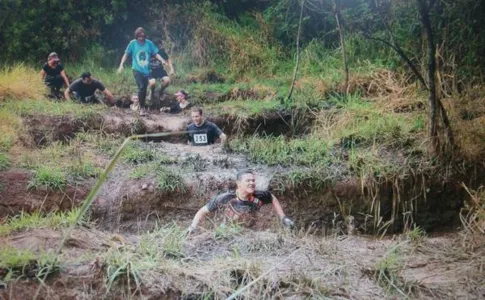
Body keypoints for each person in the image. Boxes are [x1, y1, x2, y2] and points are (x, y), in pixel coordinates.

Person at [188, 169, 294, 233]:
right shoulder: (225, 198)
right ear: (238, 183)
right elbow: (202, 211)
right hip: (227, 232)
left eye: (253, 180)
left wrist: (283, 217)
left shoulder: (259, 196)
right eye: (248, 181)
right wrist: (193, 227)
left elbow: (272, 198)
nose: (252, 183)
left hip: (251, 231)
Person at [117, 27, 167, 116]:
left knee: (144, 89)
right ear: (136, 36)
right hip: (136, 69)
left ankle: (144, 104)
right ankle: (142, 108)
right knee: (141, 86)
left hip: (147, 71)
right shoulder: (132, 43)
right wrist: (121, 65)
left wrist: (162, 60)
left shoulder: (149, 43)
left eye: (143, 36)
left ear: (145, 36)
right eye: (139, 36)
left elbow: (155, 53)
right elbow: (126, 54)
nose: (141, 38)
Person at [147, 38, 175, 102]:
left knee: (167, 80)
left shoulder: (161, 51)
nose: (159, 47)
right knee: (152, 83)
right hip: (151, 71)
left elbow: (169, 60)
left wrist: (172, 69)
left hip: (160, 70)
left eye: (159, 46)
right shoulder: (148, 51)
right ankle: (152, 93)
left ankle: (160, 92)